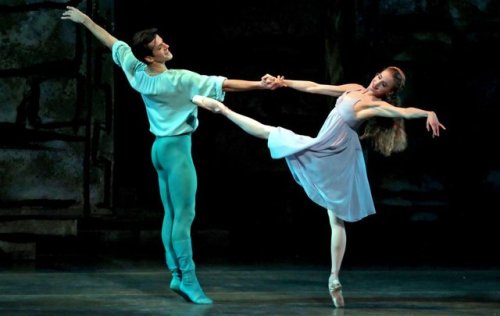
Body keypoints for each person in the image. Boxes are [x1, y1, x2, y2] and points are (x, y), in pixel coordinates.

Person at [61, 6, 281, 305]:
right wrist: (260, 84)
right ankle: (189, 280)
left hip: (158, 150)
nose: (166, 45)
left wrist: (85, 20)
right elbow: (224, 84)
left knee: (171, 214)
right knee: (184, 216)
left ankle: (175, 273)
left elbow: (113, 42)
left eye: (163, 41)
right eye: (159, 46)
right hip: (177, 150)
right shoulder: (180, 79)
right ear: (150, 56)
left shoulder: (136, 71)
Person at [192, 66, 446, 308]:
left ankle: (334, 278)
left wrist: (427, 113)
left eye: (384, 84)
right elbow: (315, 87)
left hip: (337, 154)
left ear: (389, 92)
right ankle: (222, 109)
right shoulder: (354, 88)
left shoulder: (376, 105)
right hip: (325, 146)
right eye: (379, 76)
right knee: (277, 136)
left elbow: (404, 113)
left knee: (335, 216)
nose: (377, 82)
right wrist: (285, 82)